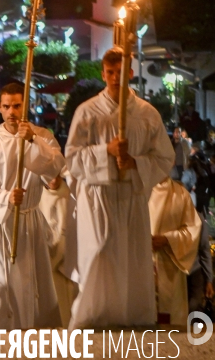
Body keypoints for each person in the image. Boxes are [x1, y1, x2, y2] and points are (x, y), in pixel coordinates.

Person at [65, 47, 175, 328]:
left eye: (120, 72)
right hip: (97, 195)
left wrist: (136, 163)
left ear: (130, 73)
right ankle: (93, 317)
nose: (115, 78)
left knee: (131, 257)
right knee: (99, 252)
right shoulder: (87, 111)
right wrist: (106, 152)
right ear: (103, 74)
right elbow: (73, 157)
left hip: (131, 196)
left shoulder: (147, 114)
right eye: (110, 73)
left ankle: (131, 317)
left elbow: (164, 157)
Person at [0, 82, 64, 329]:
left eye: (17, 105)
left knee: (30, 284)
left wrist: (33, 140)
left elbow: (54, 169)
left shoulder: (42, 136)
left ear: (27, 105)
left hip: (29, 219)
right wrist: (7, 197)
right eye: (6, 107)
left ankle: (31, 337)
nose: (12, 112)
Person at [149, 176, 201, 324]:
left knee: (170, 321)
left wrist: (168, 239)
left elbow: (192, 231)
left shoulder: (181, 194)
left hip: (171, 267)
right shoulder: (137, 190)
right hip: (142, 266)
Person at [39, 172, 78, 327]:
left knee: (65, 306)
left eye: (56, 175)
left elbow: (72, 228)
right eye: (49, 175)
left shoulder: (69, 195)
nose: (53, 180)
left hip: (63, 262)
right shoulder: (36, 195)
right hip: (44, 260)